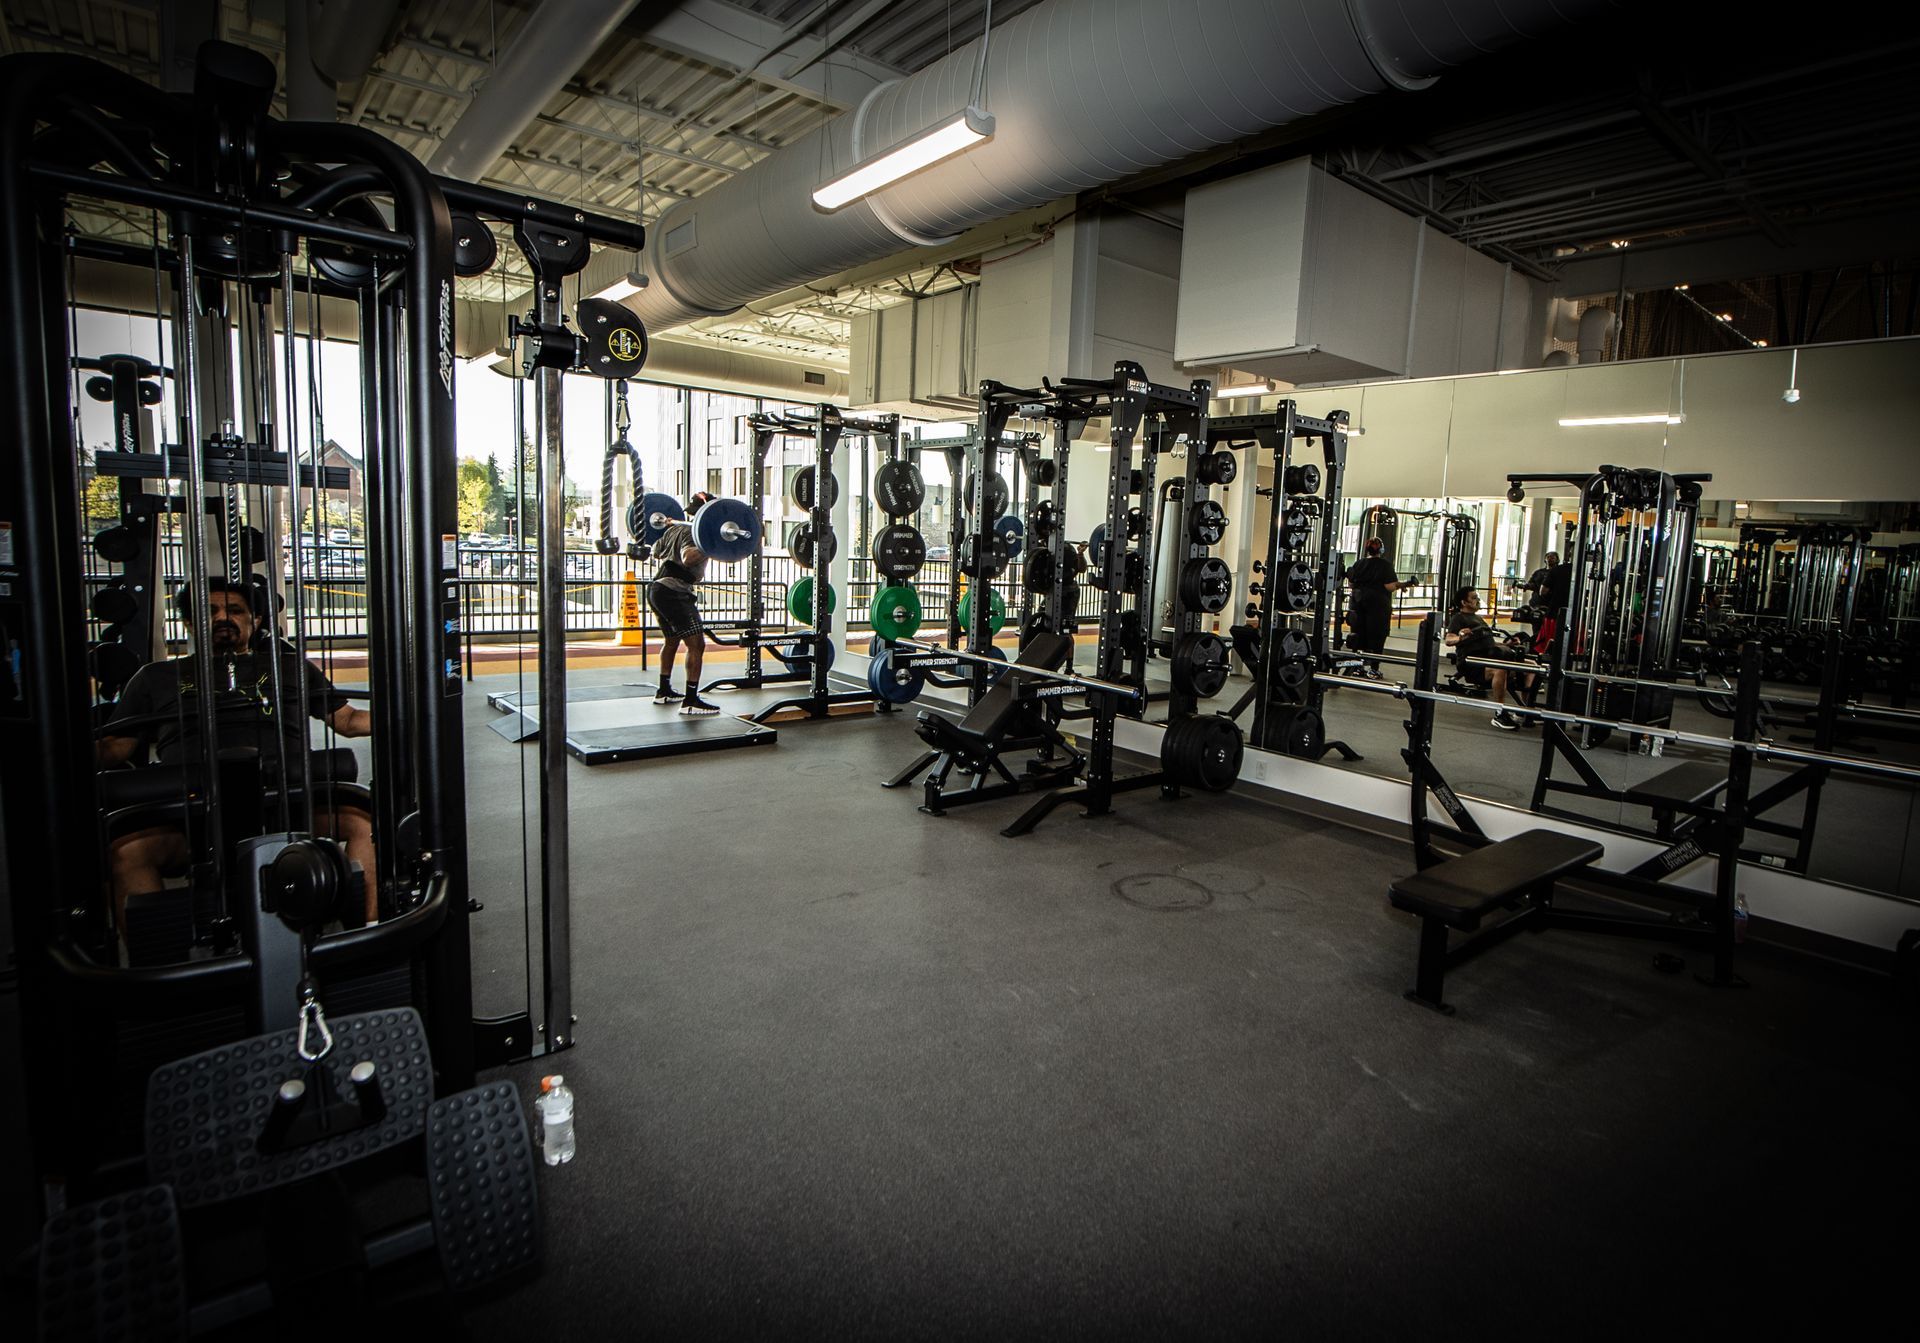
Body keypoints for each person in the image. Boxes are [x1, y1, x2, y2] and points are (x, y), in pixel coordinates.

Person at [96, 578, 377, 929]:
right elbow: (116, 747)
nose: (222, 618)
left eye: (234, 611)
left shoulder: (289, 667)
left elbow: (348, 721)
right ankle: (160, 966)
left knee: (363, 823)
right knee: (126, 853)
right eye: (209, 611)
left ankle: (362, 936)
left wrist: (409, 712)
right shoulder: (155, 676)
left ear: (254, 620)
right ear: (189, 623)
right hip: (191, 809)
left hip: (285, 800)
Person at [648, 491, 720, 716]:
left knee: (671, 640)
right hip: (674, 590)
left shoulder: (674, 529)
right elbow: (689, 557)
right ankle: (691, 700)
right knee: (696, 645)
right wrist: (712, 542)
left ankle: (664, 690)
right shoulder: (693, 533)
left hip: (658, 588)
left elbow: (655, 551)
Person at [1445, 586, 1533, 730]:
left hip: (1488, 658)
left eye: (1477, 597)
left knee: (1531, 666)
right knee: (1500, 669)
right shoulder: (1458, 618)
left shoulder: (1478, 619)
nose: (1478, 600)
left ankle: (1524, 710)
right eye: (1473, 598)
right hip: (1472, 663)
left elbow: (1489, 642)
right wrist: (1460, 636)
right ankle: (1499, 714)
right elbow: (1449, 639)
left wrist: (1508, 644)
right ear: (1464, 602)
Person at [1343, 537, 1407, 674]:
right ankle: (1373, 669)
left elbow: (1351, 584)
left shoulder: (1358, 563)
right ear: (1381, 550)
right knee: (1376, 636)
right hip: (1378, 606)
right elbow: (1389, 586)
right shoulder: (1385, 565)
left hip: (1358, 603)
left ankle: (1357, 666)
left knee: (1358, 634)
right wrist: (1400, 585)